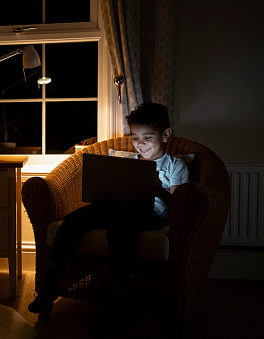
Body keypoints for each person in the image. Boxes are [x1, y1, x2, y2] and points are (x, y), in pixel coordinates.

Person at [27, 103, 190, 338]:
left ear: (165, 135)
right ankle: (50, 285)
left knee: (120, 230)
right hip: (116, 206)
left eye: (147, 137)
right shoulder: (129, 162)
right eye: (135, 138)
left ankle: (114, 301)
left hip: (150, 214)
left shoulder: (176, 165)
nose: (140, 144)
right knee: (74, 219)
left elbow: (179, 206)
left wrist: (160, 192)